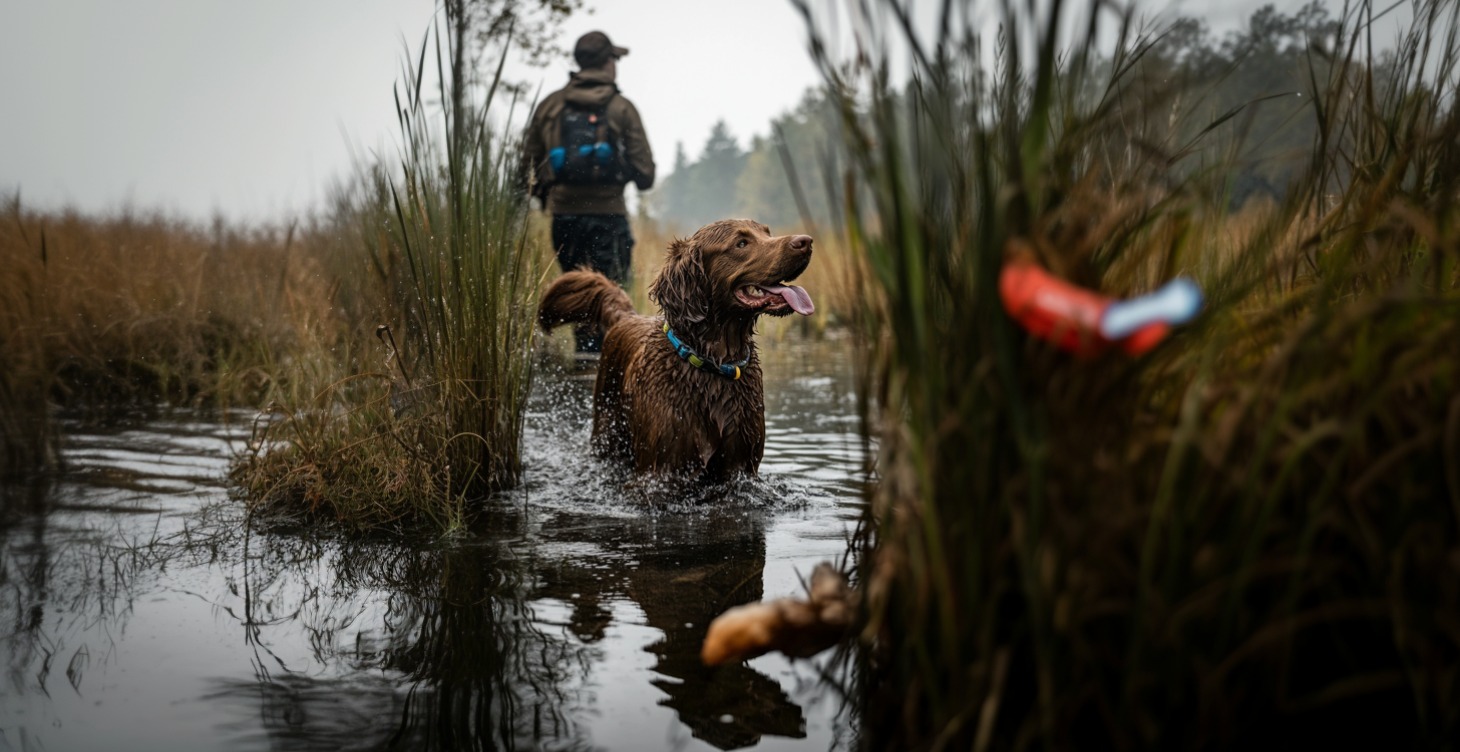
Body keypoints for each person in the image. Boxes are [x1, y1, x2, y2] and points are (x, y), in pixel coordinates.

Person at [522, 30, 655, 354]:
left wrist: (542, 197)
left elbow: (526, 164)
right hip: (610, 216)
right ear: (608, 63)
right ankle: (610, 370)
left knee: (583, 298)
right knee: (615, 299)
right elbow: (646, 175)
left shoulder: (550, 106)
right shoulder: (622, 108)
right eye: (615, 59)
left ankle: (585, 362)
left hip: (564, 217)